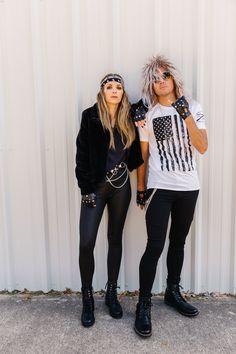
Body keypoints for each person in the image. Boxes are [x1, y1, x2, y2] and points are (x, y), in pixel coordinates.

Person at [131, 55, 208, 338]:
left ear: (174, 79)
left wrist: (185, 113)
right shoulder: (148, 115)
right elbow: (143, 157)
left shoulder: (195, 107)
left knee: (178, 242)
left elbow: (202, 147)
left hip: (189, 187)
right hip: (160, 188)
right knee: (154, 246)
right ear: (151, 86)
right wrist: (141, 189)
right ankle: (144, 305)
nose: (160, 82)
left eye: (164, 76)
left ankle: (173, 292)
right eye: (155, 79)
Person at [75, 73, 143, 327]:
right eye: (109, 87)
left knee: (115, 239)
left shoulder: (130, 117)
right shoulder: (90, 116)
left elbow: (136, 154)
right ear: (102, 91)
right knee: (86, 243)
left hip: (121, 187)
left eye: (118, 87)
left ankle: (111, 294)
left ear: (123, 92)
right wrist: (86, 189)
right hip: (94, 188)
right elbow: (81, 156)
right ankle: (88, 299)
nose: (114, 90)